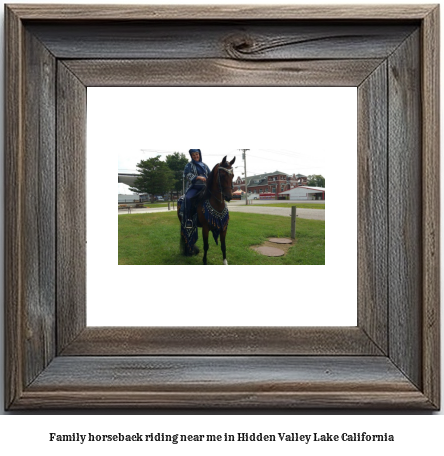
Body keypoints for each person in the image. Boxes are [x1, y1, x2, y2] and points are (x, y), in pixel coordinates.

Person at [183, 149, 210, 228]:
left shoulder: (205, 165)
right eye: (193, 155)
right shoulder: (188, 165)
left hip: (205, 187)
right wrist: (198, 177)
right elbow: (187, 175)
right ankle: (189, 219)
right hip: (194, 187)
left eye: (197, 154)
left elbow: (210, 174)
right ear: (191, 156)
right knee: (188, 198)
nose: (195, 156)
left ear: (199, 154)